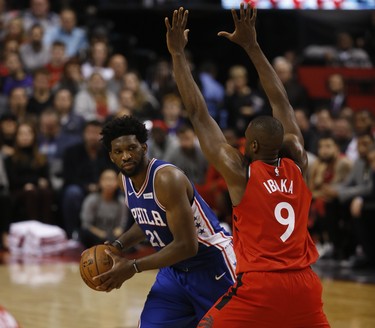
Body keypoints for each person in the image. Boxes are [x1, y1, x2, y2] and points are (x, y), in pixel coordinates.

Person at [165, 5, 330, 327]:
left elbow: (198, 114)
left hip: (262, 285)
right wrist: (253, 46)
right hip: (306, 285)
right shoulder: (299, 162)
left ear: (252, 145)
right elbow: (281, 101)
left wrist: (177, 55)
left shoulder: (242, 173)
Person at [94, 115, 236, 328]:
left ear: (144, 147)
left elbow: (187, 246)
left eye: (131, 148)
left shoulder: (167, 179)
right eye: (118, 152)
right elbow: (149, 222)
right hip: (174, 272)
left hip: (212, 266)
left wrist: (133, 266)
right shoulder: (125, 180)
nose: (125, 156)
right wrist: (118, 245)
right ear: (111, 156)